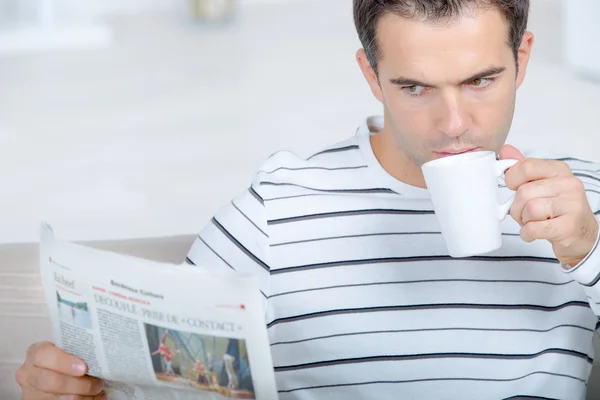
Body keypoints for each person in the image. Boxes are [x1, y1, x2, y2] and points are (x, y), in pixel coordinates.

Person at [15, 0, 600, 399]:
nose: (454, 124)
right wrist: (85, 389)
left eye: (480, 81)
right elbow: (170, 380)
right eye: (415, 87)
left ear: (522, 59)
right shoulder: (277, 209)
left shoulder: (582, 204)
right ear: (372, 75)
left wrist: (588, 250)